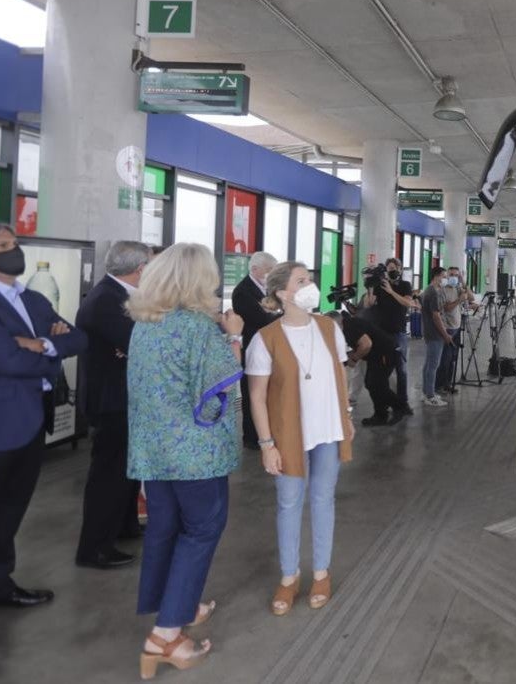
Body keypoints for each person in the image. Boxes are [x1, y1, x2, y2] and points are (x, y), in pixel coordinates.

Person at [0, 222, 88, 654]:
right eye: (1, 246)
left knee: (6, 515)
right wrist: (41, 350)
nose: (12, 251)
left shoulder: (31, 297)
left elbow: (77, 338)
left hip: (28, 424)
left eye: (14, 244)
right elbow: (6, 360)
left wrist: (38, 347)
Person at [126, 243, 244, 678]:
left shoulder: (145, 324)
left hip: (154, 453)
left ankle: (179, 603)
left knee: (165, 530)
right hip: (195, 455)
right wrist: (233, 336)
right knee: (201, 531)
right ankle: (165, 636)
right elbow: (221, 391)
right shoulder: (198, 329)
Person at [246, 262, 354, 616]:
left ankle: (321, 572)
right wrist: (266, 445)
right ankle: (289, 577)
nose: (311, 285)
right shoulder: (265, 340)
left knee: (324, 499)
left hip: (328, 429)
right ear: (282, 293)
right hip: (288, 435)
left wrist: (347, 418)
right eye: (303, 281)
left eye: (310, 279)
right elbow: (257, 397)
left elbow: (340, 375)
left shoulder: (328, 328)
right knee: (289, 504)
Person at [75, 240, 153, 571]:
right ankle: (95, 548)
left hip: (126, 396)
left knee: (128, 469)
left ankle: (124, 526)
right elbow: (140, 341)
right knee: (109, 474)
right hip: (112, 400)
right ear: (139, 269)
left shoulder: (122, 295)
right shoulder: (106, 300)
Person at [232, 252, 279, 449]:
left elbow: (273, 312)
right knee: (252, 391)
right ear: (255, 269)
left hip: (268, 346)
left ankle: (266, 430)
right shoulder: (243, 291)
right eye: (268, 270)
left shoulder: (267, 288)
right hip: (251, 346)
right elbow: (261, 319)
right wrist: (277, 315)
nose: (270, 274)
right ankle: (251, 436)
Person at [363, 258, 414, 416]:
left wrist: (391, 291)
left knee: (401, 370)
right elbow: (368, 304)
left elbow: (407, 303)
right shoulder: (380, 286)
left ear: (399, 269)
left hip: (398, 333)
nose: (391, 270)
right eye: (388, 268)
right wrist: (370, 287)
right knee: (382, 371)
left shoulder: (405, 285)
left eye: (394, 267)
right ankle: (385, 405)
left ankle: (403, 402)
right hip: (382, 334)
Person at [419, 267, 455, 408]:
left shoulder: (429, 290)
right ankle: (430, 396)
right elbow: (436, 316)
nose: (444, 279)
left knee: (428, 364)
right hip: (435, 333)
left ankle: (426, 391)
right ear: (436, 276)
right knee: (433, 365)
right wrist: (445, 334)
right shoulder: (432, 292)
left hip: (429, 332)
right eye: (443, 276)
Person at [435, 266, 472, 394]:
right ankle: (439, 385)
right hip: (447, 328)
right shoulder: (443, 290)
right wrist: (459, 300)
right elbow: (447, 308)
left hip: (457, 328)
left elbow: (471, 298)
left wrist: (463, 281)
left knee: (453, 359)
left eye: (456, 275)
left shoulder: (458, 288)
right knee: (445, 359)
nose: (454, 277)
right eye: (451, 275)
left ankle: (448, 383)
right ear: (446, 276)